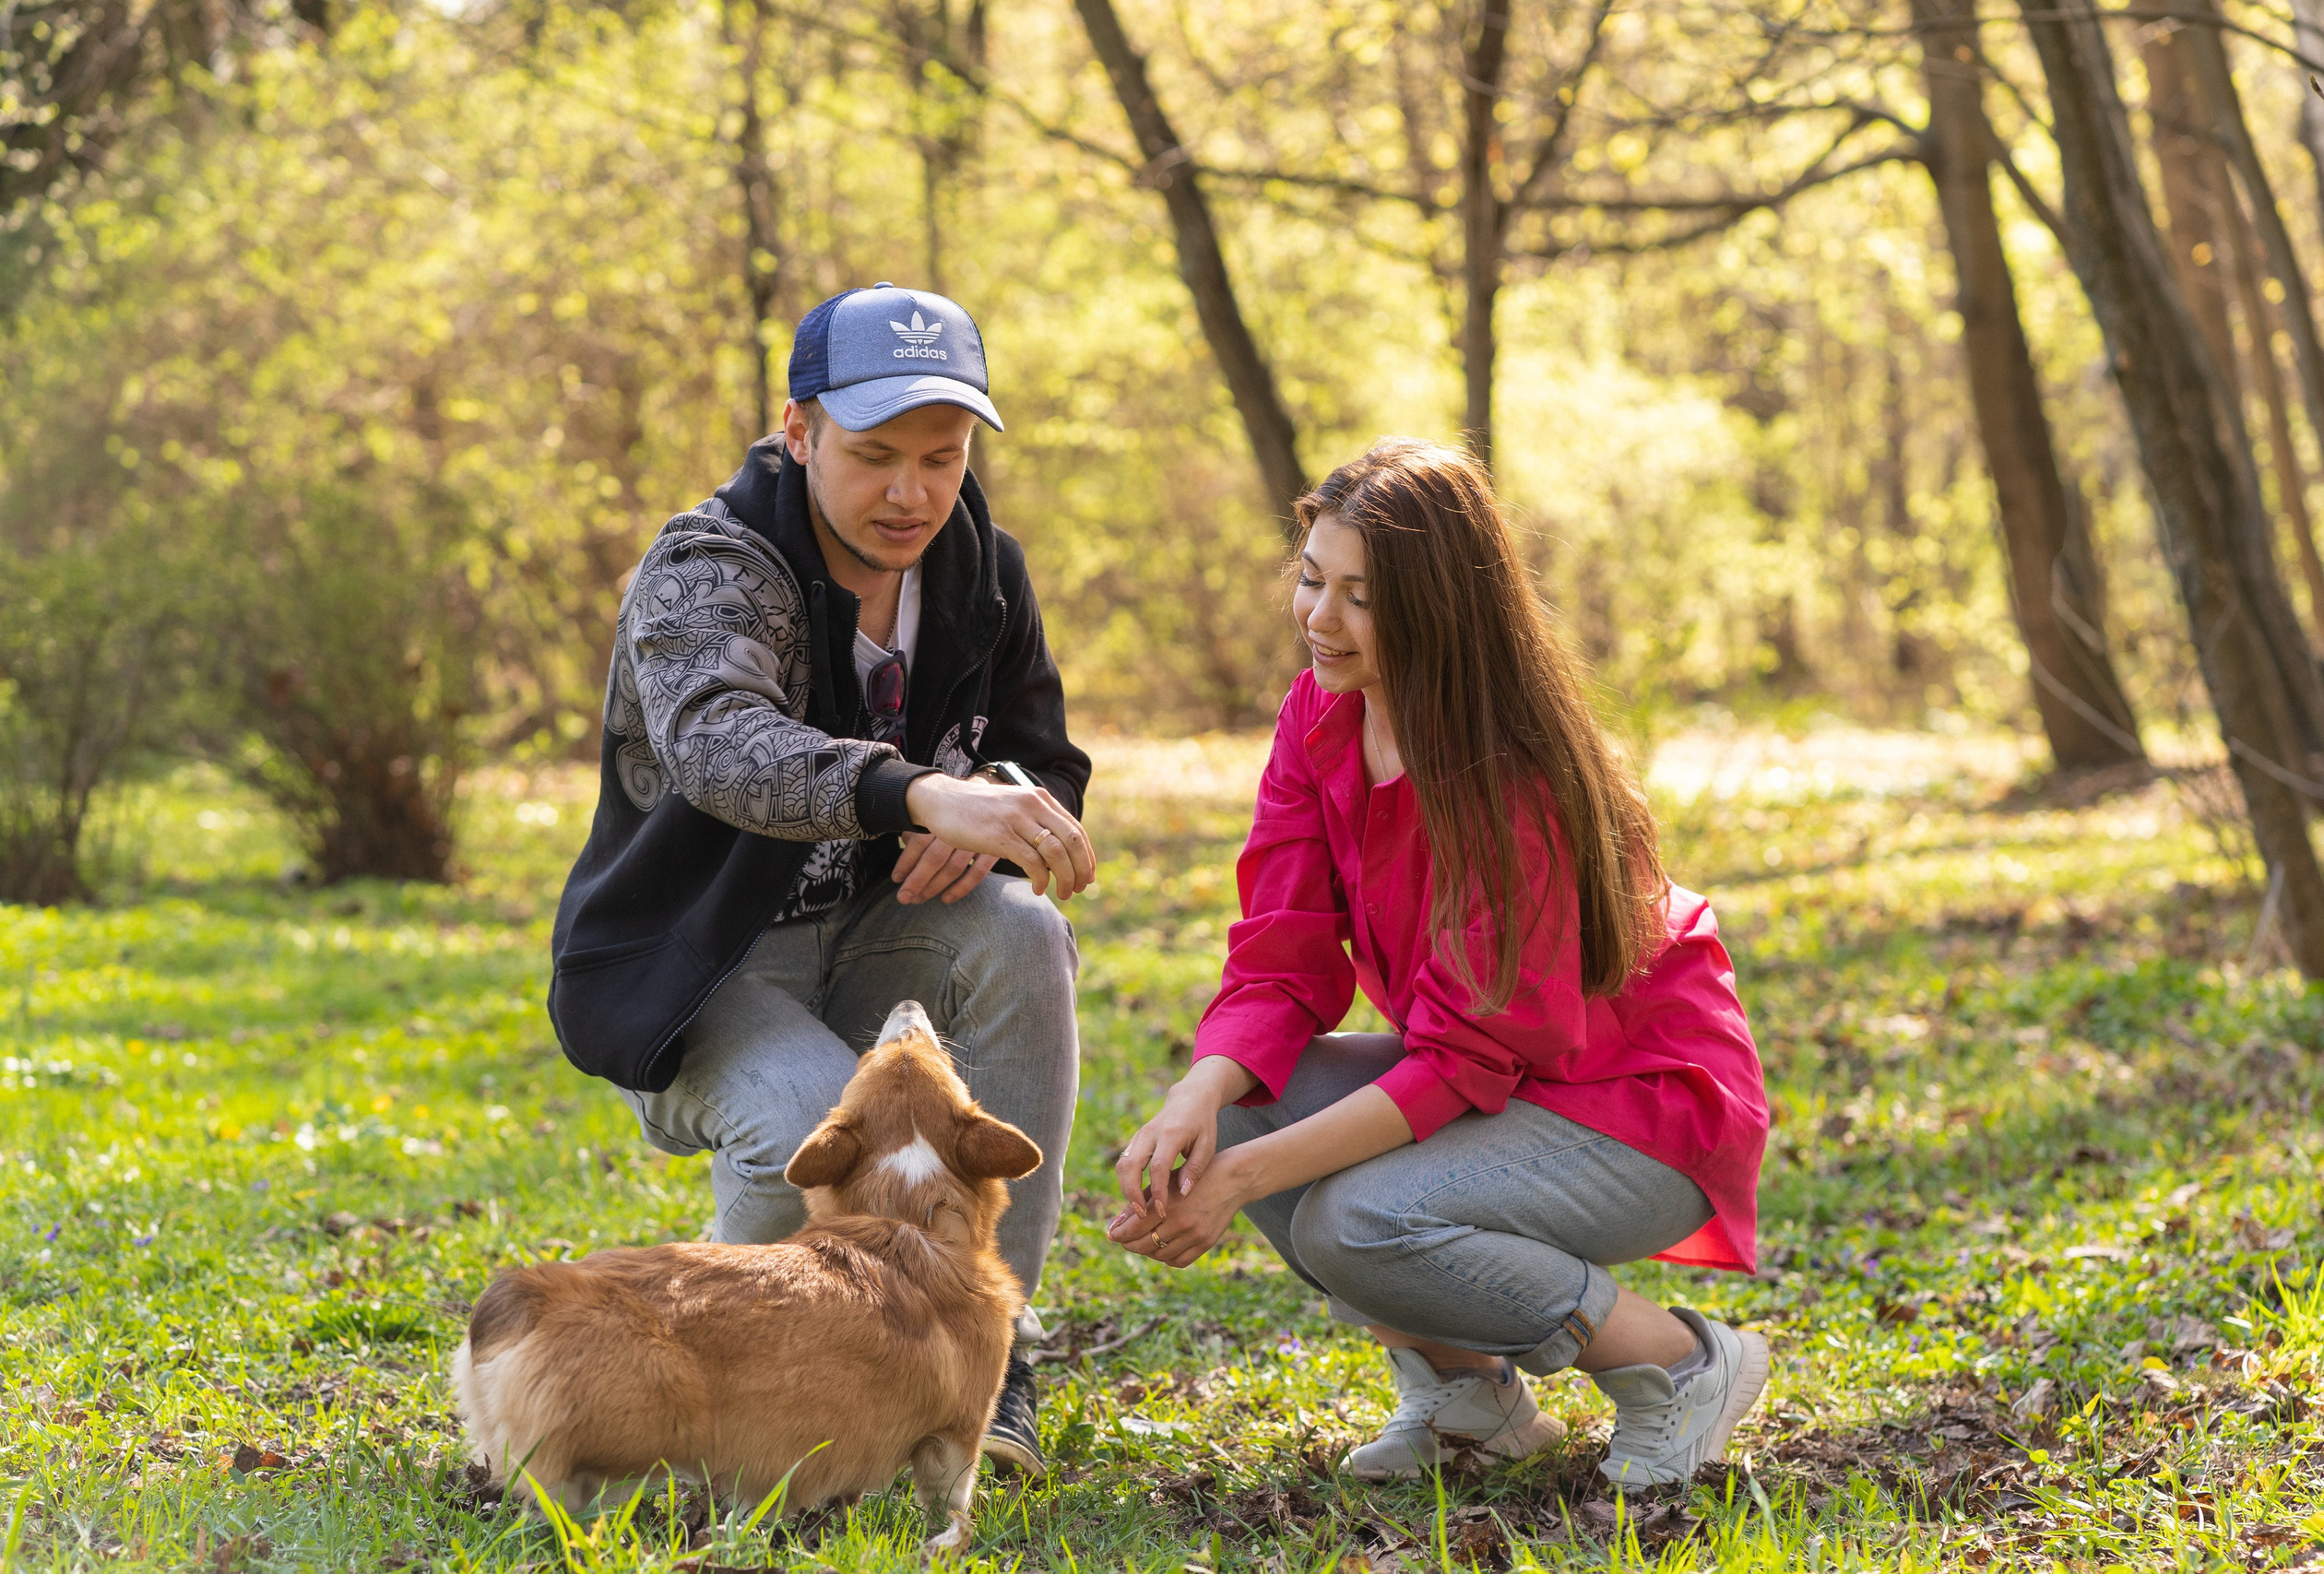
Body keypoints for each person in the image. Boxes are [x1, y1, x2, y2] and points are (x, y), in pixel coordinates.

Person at [1108, 439, 1772, 1487]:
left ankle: (1680, 1362)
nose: (1321, 619)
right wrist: (1201, 1097)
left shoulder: (1513, 776)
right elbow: (1281, 955)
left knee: (1355, 1219)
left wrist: (1239, 1183)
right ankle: (1470, 1397)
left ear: (1439, 610)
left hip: (1639, 1110)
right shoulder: (1318, 718)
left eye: (1361, 598)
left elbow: (1467, 1058)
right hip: (1499, 1085)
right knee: (1243, 1102)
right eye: (1312, 580)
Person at [549, 282, 1095, 1475]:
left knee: (1023, 933)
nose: (910, 491)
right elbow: (719, 742)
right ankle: (730, 1402)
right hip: (701, 970)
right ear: (798, 432)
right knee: (806, 1116)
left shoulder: (980, 570)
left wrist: (998, 800)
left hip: (881, 940)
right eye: (874, 454)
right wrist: (916, 791)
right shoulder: (709, 566)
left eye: (941, 457)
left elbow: (1044, 758)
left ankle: (993, 1356)